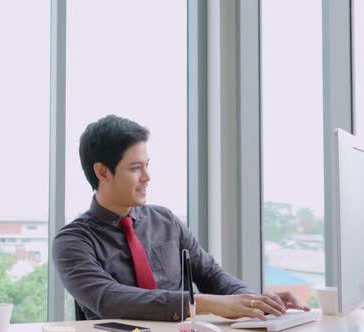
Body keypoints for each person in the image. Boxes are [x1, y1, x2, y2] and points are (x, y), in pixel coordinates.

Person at [53, 115, 310, 321]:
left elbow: (210, 274)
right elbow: (108, 299)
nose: (147, 177)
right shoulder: (73, 241)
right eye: (135, 168)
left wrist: (255, 301)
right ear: (102, 172)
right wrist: (201, 303)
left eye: (147, 165)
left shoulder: (165, 220)